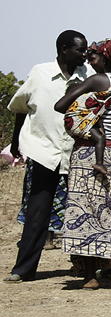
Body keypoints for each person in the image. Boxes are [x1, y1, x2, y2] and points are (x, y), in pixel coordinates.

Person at [55, 38, 111, 290]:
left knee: (85, 210)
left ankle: (91, 277)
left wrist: (89, 114)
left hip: (88, 153)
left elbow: (61, 106)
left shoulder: (97, 82)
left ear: (106, 58)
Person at [7, 30, 87, 282]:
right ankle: (23, 269)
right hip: (44, 153)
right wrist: (14, 143)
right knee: (37, 213)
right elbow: (20, 109)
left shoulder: (88, 77)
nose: (84, 54)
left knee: (80, 214)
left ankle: (84, 268)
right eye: (79, 49)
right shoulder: (40, 73)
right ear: (64, 49)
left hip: (75, 157)